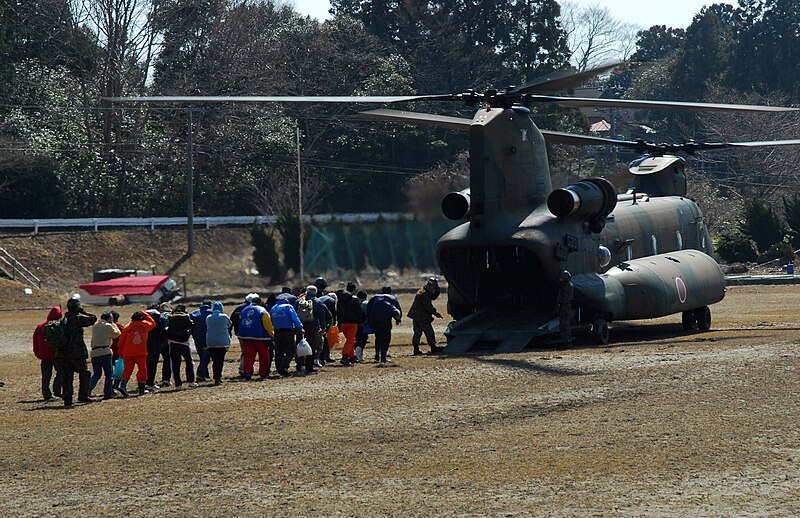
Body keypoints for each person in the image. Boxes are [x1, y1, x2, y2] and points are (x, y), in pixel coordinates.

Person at [56, 297, 97, 407]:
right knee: (84, 373)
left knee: (67, 377)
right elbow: (93, 319)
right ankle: (83, 395)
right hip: (77, 353)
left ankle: (67, 399)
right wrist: (84, 312)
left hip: (63, 353)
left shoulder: (62, 321)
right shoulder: (78, 319)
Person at [118, 310, 157, 397]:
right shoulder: (145, 324)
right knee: (142, 370)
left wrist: (120, 352)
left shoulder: (128, 326)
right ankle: (141, 390)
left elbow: (121, 340)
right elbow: (153, 322)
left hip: (128, 352)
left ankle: (123, 386)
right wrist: (144, 312)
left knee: (127, 370)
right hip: (140, 352)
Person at [238, 295, 275, 380]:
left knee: (248, 356)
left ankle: (248, 372)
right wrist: (271, 334)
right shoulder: (263, 311)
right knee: (264, 356)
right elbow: (267, 325)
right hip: (260, 338)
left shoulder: (244, 310)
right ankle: (263, 373)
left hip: (246, 337)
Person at [32, 306, 63, 401]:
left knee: (45, 376)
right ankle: (57, 389)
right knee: (61, 372)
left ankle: (46, 394)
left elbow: (35, 342)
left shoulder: (40, 326)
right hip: (56, 355)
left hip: (44, 356)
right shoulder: (59, 326)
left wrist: (38, 354)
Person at [88, 311, 122, 400]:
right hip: (104, 352)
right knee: (109, 374)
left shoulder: (95, 325)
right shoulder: (108, 326)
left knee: (96, 374)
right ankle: (107, 393)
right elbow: (117, 334)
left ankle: (88, 389)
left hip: (94, 353)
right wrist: (113, 324)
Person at [407, 277, 444, 355]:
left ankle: (416, 349)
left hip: (417, 316)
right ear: (430, 286)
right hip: (422, 317)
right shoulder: (424, 294)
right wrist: (436, 313)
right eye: (433, 288)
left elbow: (433, 297)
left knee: (417, 333)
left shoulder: (423, 291)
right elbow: (428, 306)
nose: (433, 289)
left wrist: (437, 290)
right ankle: (433, 347)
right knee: (429, 332)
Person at [269, 297, 304, 377]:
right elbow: (295, 318)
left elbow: (270, 319)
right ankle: (284, 366)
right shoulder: (288, 307)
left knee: (278, 351)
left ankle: (279, 368)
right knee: (291, 351)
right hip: (287, 331)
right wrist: (300, 327)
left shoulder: (273, 308)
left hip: (276, 332)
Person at [366, 286, 402, 364]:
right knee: (386, 338)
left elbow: (368, 308)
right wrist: (398, 319)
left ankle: (376, 354)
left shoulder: (374, 297)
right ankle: (383, 357)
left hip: (375, 321)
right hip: (385, 321)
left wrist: (368, 320)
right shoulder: (391, 298)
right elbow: (397, 309)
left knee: (378, 337)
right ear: (390, 292)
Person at [166, 304, 195, 389]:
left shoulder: (171, 316)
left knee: (175, 364)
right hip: (184, 343)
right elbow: (191, 326)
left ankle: (178, 384)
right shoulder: (186, 316)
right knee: (189, 362)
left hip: (173, 343)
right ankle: (191, 381)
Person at [206, 301, 233, 385]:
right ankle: (218, 377)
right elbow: (229, 324)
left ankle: (215, 376)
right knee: (220, 360)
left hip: (210, 342)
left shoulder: (208, 317)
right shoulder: (224, 317)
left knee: (214, 360)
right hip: (222, 342)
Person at [336, 288, 363, 365]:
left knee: (350, 339)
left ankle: (351, 356)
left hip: (343, 323)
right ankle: (345, 356)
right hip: (352, 323)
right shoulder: (354, 299)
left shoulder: (340, 301)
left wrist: (339, 323)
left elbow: (338, 312)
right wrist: (361, 320)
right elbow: (359, 310)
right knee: (350, 340)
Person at [190, 300, 213, 381]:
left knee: (202, 356)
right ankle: (200, 374)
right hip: (208, 337)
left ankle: (205, 374)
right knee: (206, 356)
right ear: (210, 305)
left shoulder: (193, 313)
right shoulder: (211, 312)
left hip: (197, 337)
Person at [556, 270, 574, 344]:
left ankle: (565, 341)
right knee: (566, 324)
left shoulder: (567, 287)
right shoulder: (568, 286)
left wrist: (560, 305)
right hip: (566, 308)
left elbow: (566, 299)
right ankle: (568, 339)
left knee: (564, 325)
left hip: (565, 308)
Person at [354, 290, 369, 362]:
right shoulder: (365, 303)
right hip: (364, 324)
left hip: (354, 324)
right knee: (363, 339)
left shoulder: (354, 302)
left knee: (356, 338)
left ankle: (359, 355)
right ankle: (358, 356)